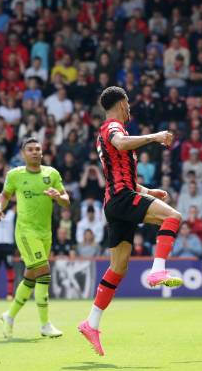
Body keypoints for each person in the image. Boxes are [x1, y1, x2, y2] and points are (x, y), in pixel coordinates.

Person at [78, 86, 184, 356]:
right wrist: (155, 137)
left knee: (118, 267)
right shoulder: (113, 127)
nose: (130, 109)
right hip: (121, 199)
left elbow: (121, 173)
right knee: (173, 217)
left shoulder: (106, 132)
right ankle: (158, 269)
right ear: (121, 103)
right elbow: (122, 144)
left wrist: (148, 191)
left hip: (116, 201)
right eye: (128, 104)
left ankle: (91, 323)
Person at [0, 137, 71, 339]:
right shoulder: (15, 175)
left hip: (46, 232)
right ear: (23, 154)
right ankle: (45, 324)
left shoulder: (51, 173)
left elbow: (66, 201)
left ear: (42, 153)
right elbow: (5, 194)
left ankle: (9, 316)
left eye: (38, 149)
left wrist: (57, 197)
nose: (35, 152)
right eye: (30, 149)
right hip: (26, 232)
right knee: (44, 272)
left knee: (31, 276)